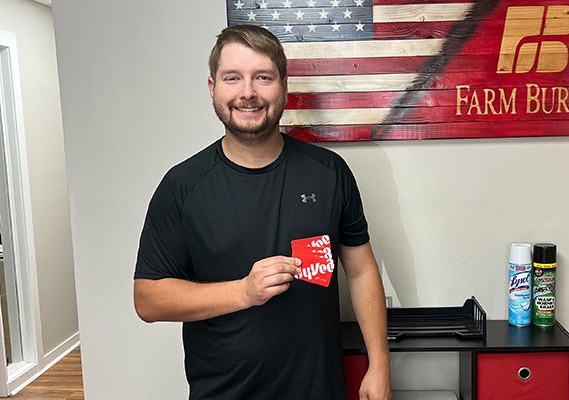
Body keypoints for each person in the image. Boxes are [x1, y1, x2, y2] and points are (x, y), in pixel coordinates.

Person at [133, 25, 391, 400]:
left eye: (263, 77)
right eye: (233, 78)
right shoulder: (183, 185)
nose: (248, 93)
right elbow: (148, 299)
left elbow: (361, 268)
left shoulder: (329, 172)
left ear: (284, 85)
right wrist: (243, 292)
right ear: (213, 87)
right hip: (223, 392)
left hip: (318, 390)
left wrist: (379, 365)